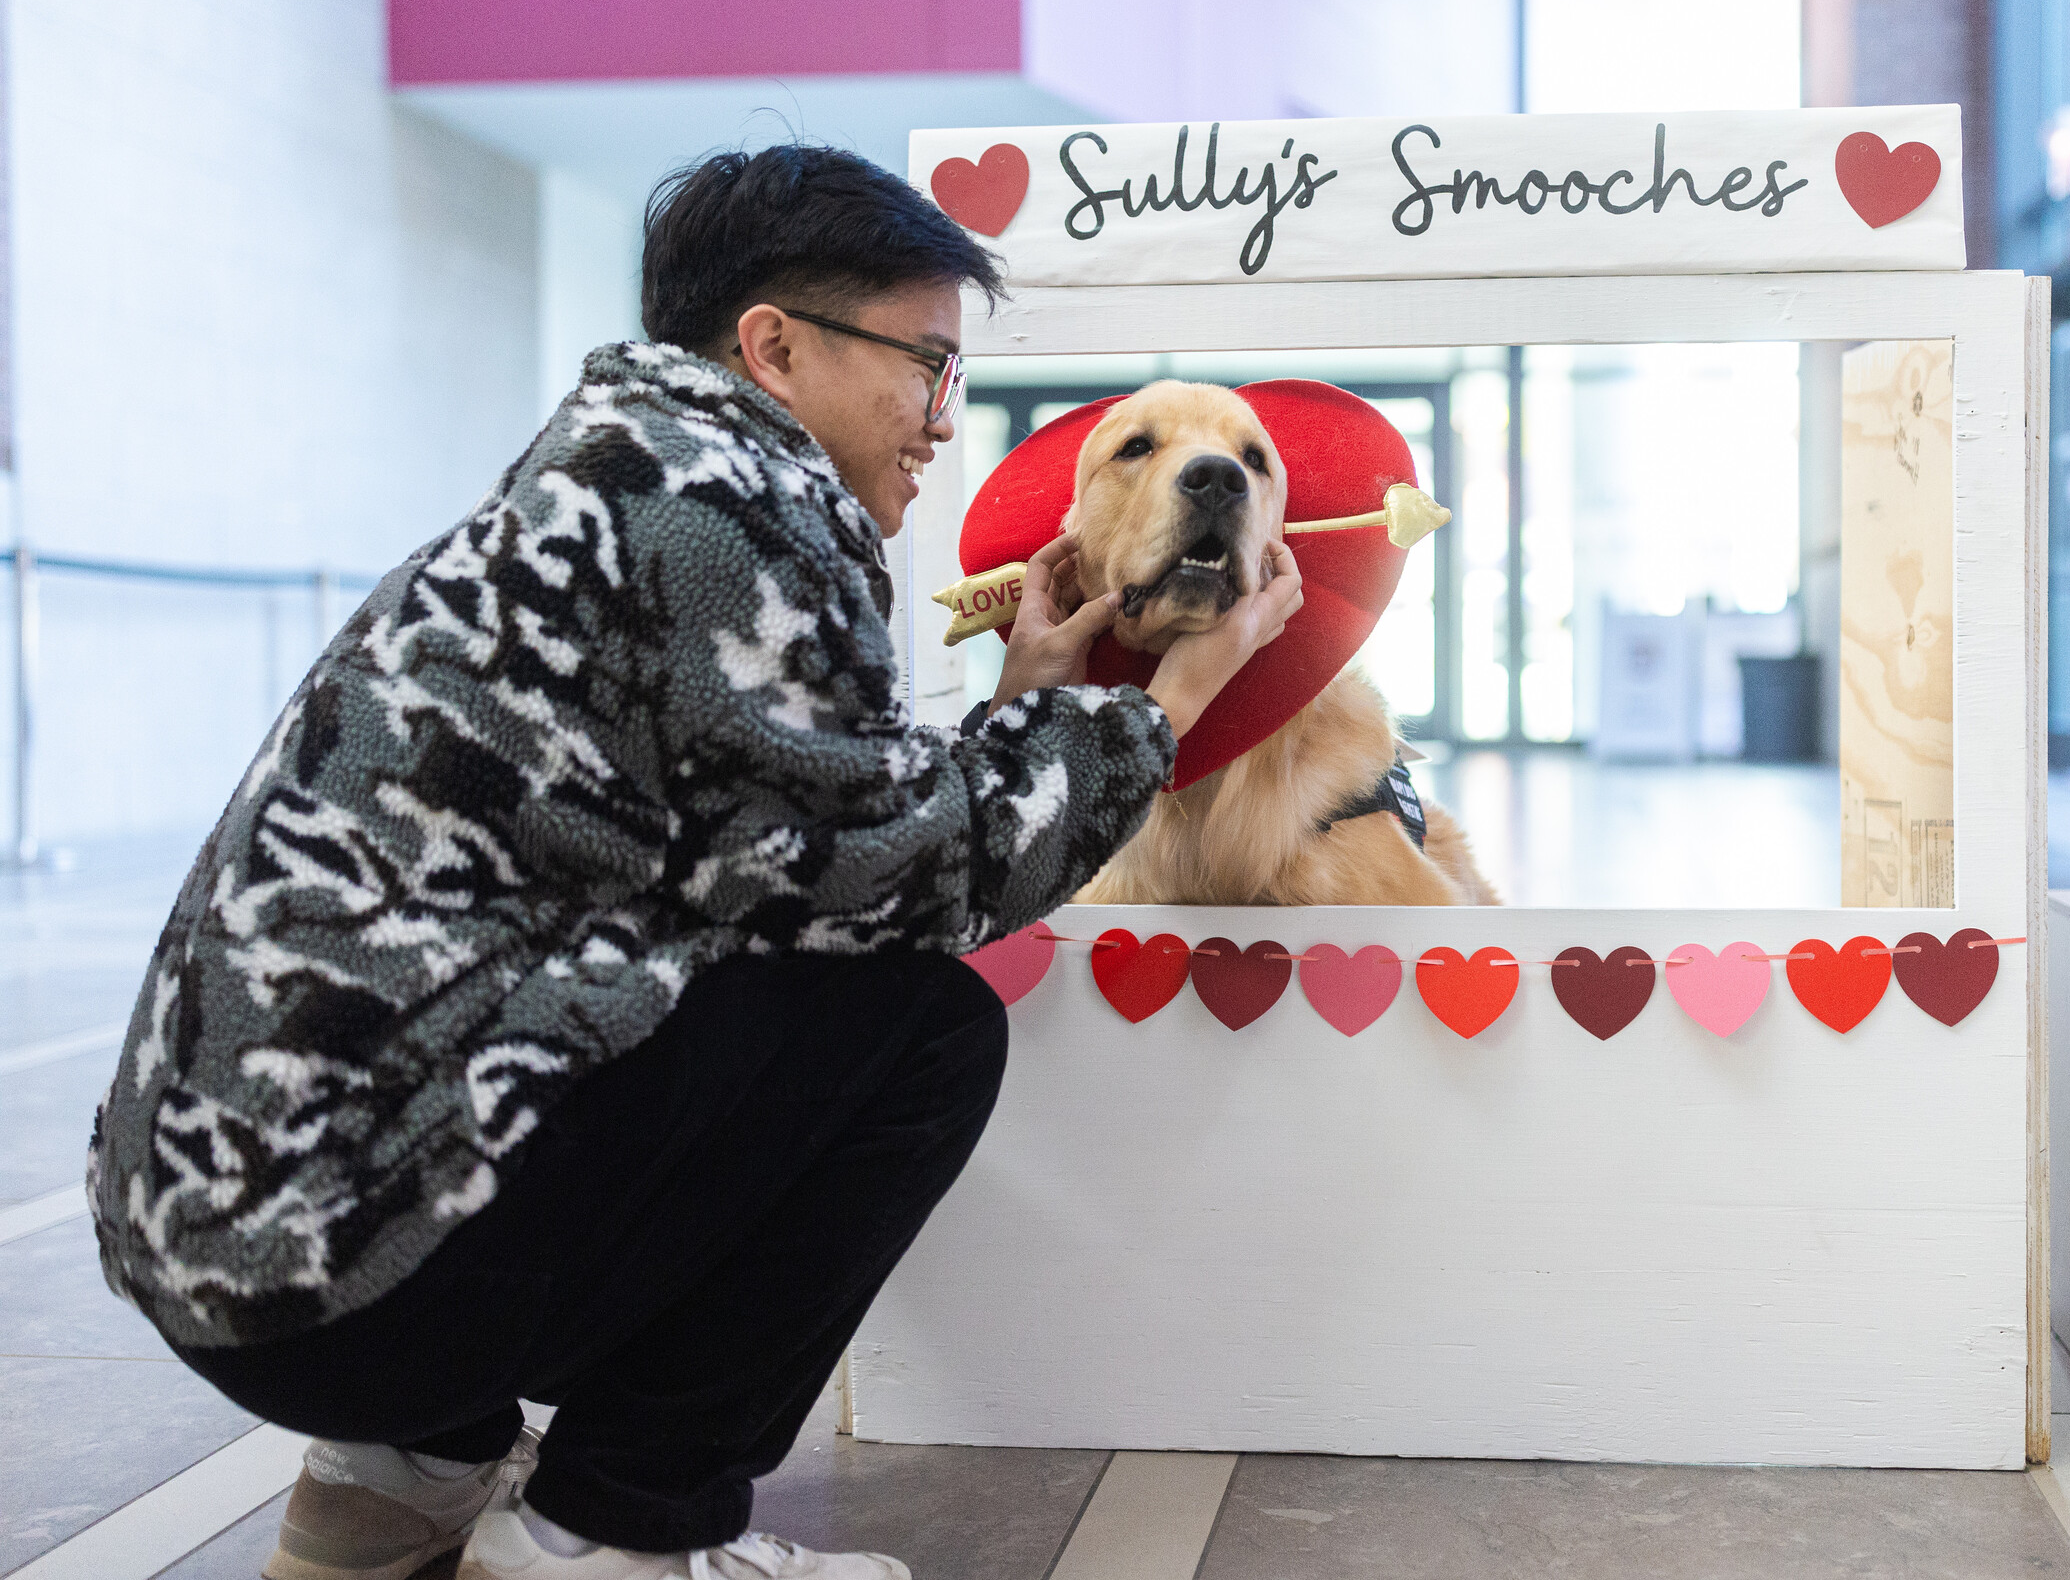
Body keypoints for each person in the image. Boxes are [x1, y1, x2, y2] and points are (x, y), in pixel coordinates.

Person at [86, 143, 1302, 1580]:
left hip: (214, 1250)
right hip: (344, 1287)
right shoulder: (732, 521)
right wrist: (1158, 712)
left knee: (667, 976)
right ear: (774, 347)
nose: (938, 421)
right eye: (923, 364)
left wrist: (1029, 703)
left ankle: (396, 1485)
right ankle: (610, 1533)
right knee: (919, 1035)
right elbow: (904, 889)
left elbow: (779, 843)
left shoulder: (610, 478)